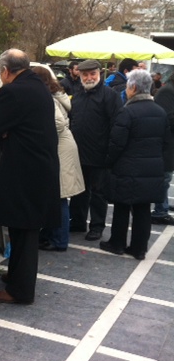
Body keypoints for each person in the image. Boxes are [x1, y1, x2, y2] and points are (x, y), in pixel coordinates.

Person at [0, 49, 60, 305]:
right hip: (38, 167)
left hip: (24, 170)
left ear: (5, 70)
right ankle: (16, 276)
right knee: (21, 227)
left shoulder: (13, 91)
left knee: (24, 230)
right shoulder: (38, 86)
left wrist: (6, 131)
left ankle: (21, 291)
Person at [100, 69, 169, 260]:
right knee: (143, 209)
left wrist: (108, 162)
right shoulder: (160, 112)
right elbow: (165, 143)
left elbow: (117, 143)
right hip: (152, 168)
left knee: (122, 206)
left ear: (133, 87)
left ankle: (117, 243)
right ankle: (139, 248)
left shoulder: (127, 111)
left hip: (127, 167)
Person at [33, 66, 85, 252]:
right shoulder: (55, 95)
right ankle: (49, 234)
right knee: (55, 196)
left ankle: (59, 241)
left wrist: (39, 135)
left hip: (61, 149)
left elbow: (58, 123)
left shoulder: (49, 98)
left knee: (59, 196)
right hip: (63, 147)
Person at [69, 59, 122, 241]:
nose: (89, 77)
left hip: (100, 154)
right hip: (79, 153)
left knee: (99, 193)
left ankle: (97, 226)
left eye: (93, 74)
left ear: (100, 74)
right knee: (79, 191)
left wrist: (111, 152)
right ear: (80, 75)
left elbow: (117, 124)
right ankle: (78, 221)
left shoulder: (110, 96)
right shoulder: (77, 95)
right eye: (85, 74)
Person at [152, 71, 174, 225]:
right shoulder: (167, 91)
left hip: (168, 143)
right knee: (164, 177)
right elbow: (168, 118)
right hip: (165, 143)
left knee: (165, 177)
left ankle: (163, 206)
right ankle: (160, 211)